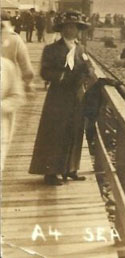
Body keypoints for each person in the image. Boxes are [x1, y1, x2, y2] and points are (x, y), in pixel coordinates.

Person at [29, 11, 94, 186]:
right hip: (58, 97)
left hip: (76, 96)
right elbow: (45, 72)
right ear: (62, 29)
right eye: (67, 27)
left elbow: (88, 68)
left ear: (78, 29)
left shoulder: (80, 48)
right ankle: (50, 172)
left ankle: (70, 168)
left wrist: (88, 72)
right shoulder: (52, 49)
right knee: (55, 132)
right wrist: (65, 76)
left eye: (74, 27)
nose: (71, 30)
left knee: (75, 130)